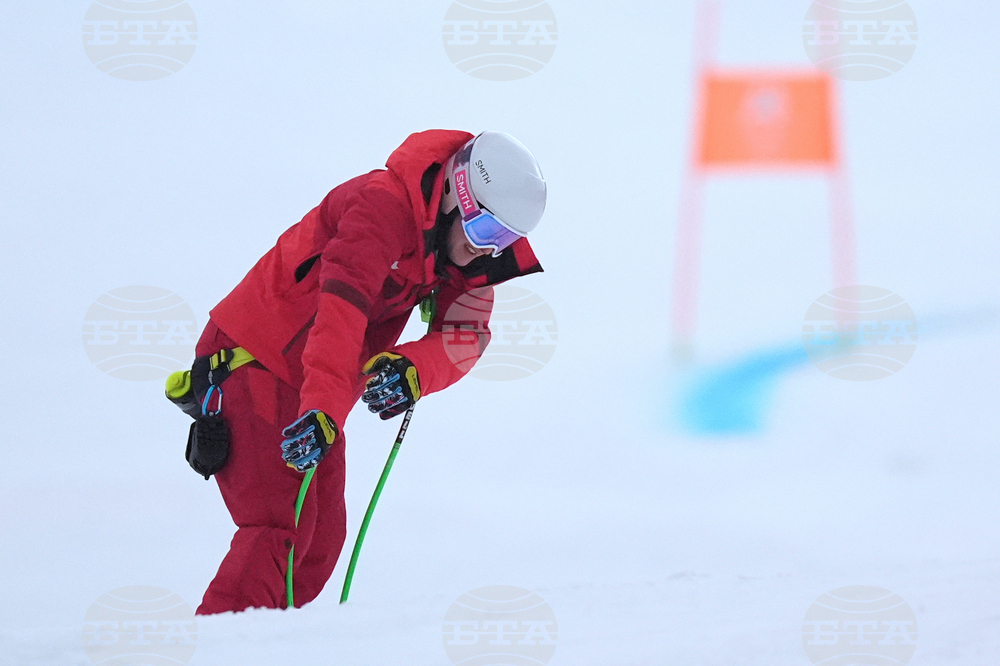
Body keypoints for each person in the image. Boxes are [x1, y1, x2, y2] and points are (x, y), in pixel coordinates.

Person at [182, 129, 547, 614]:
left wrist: (414, 368)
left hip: (313, 385)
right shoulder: (380, 207)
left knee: (316, 548)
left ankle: (260, 643)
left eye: (507, 240)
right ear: (454, 199)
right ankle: (219, 648)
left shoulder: (458, 253)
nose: (490, 250)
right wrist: (322, 410)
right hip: (253, 359)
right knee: (279, 527)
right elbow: (340, 313)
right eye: (486, 232)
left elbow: (467, 334)